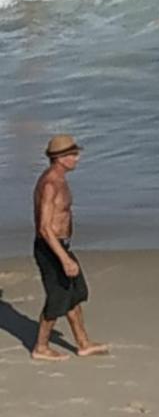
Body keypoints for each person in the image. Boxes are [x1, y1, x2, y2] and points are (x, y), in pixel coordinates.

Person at [31, 135, 108, 361]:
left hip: (61, 246)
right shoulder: (50, 184)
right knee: (58, 298)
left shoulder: (60, 179)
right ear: (60, 158)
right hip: (50, 249)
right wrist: (64, 259)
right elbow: (45, 228)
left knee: (74, 294)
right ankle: (41, 347)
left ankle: (83, 343)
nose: (77, 158)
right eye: (73, 155)